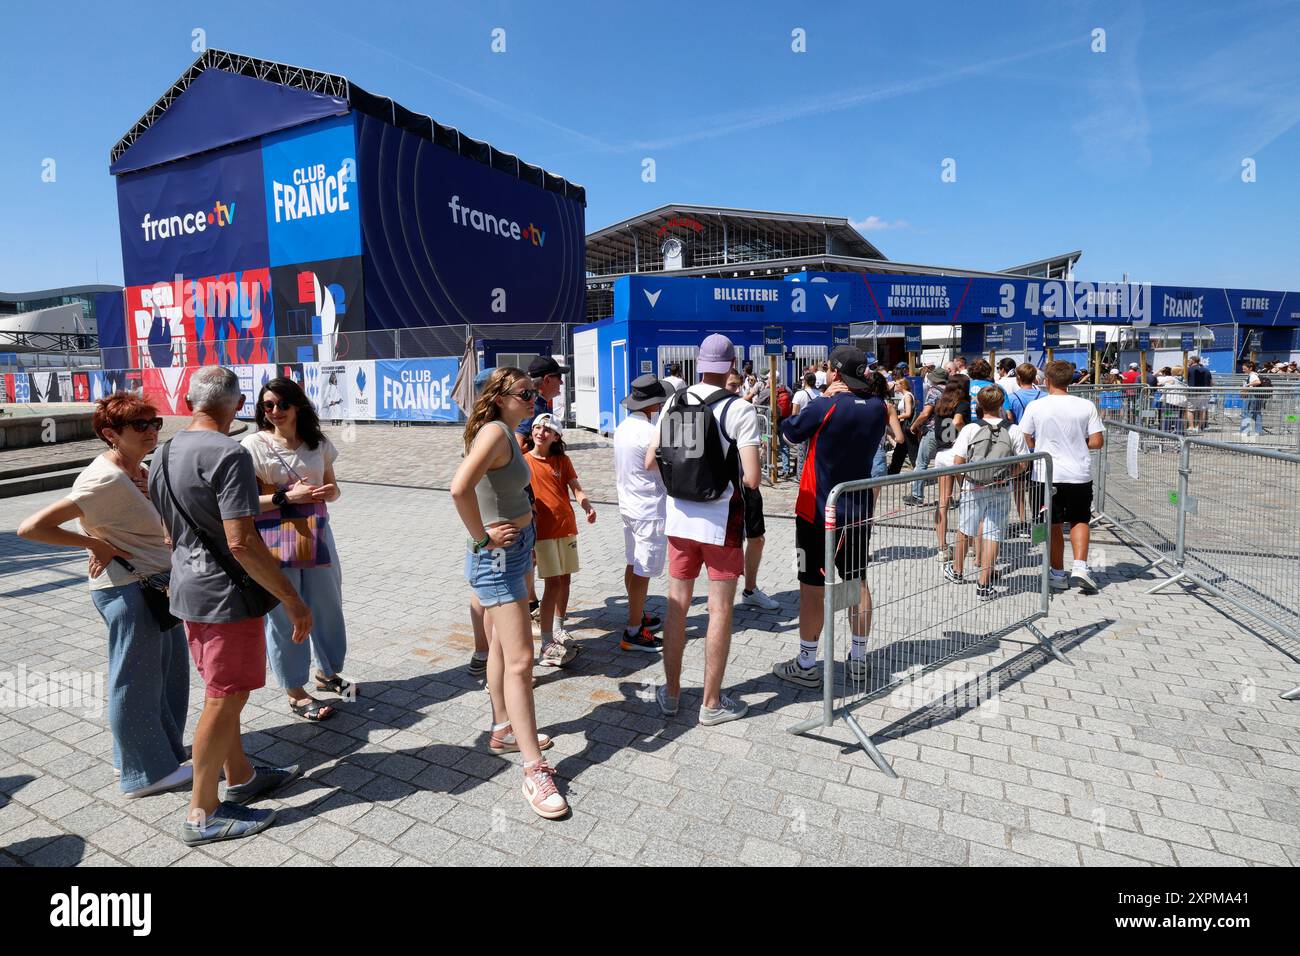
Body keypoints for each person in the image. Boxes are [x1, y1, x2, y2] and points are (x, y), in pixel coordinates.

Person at [149, 366, 311, 846]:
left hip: (188, 590)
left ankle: (240, 775)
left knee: (224, 691)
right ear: (237, 405)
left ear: (190, 403)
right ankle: (202, 811)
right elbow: (241, 542)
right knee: (224, 699)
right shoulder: (228, 453)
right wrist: (292, 599)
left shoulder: (164, 452)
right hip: (226, 594)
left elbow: (168, 532)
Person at [18, 394, 191, 799]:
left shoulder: (137, 470)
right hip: (129, 588)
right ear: (111, 434)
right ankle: (145, 775)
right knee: (135, 681)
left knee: (166, 675)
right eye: (140, 426)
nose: (151, 431)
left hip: (153, 584)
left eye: (155, 422)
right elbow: (31, 528)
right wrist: (94, 545)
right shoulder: (104, 479)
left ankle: (149, 755)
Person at [451, 367, 567, 819]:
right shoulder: (497, 433)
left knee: (503, 645)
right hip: (496, 557)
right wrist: (481, 538)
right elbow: (458, 488)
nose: (534, 399)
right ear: (500, 397)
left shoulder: (500, 430)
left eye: (536, 392)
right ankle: (533, 770)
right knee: (522, 661)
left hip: (514, 550)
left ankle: (503, 727)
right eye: (525, 393)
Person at [649, 333, 760, 725]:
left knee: (677, 605)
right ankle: (711, 703)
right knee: (720, 610)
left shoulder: (672, 404)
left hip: (679, 517)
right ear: (731, 366)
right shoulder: (739, 410)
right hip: (720, 522)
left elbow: (650, 460)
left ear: (698, 364)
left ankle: (672, 693)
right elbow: (752, 478)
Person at [772, 346, 885, 689]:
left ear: (834, 374)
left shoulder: (824, 404)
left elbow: (789, 433)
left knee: (812, 589)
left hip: (818, 511)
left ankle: (807, 663)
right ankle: (860, 659)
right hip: (858, 510)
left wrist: (821, 397)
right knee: (857, 583)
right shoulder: (879, 408)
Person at [241, 377, 348, 722]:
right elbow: (243, 504)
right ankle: (295, 691)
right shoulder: (252, 445)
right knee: (286, 612)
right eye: (267, 406)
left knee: (328, 604)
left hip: (317, 530)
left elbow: (333, 486)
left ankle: (328, 672)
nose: (274, 411)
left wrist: (329, 493)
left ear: (298, 405)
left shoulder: (318, 443)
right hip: (275, 535)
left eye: (281, 404)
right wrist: (289, 496)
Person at [1018, 360, 1105, 594]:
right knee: (1080, 519)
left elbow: (1024, 435)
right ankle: (1080, 566)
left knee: (1052, 524)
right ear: (1071, 381)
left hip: (1045, 473)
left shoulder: (1036, 407)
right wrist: (1077, 442)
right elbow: (1097, 441)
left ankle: (1057, 572)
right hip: (1078, 473)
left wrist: (1037, 447)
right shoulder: (1086, 405)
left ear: (1046, 381)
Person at [524, 413, 595, 666]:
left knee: (564, 580)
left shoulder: (562, 460)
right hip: (541, 533)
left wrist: (586, 505)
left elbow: (575, 487)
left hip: (566, 527)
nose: (541, 432)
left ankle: (558, 627)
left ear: (556, 437)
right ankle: (546, 640)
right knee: (552, 583)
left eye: (547, 429)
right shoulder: (524, 462)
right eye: (537, 427)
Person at [948, 386, 1029, 597]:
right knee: (994, 532)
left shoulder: (970, 429)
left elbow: (957, 462)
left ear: (979, 405)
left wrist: (963, 482)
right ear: (1001, 404)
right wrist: (1008, 475)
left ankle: (957, 570)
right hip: (1001, 486)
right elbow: (1023, 463)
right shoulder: (1013, 430)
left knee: (966, 528)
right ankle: (984, 583)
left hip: (973, 486)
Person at [613, 374, 672, 652]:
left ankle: (636, 613)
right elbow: (662, 469)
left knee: (632, 562)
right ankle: (633, 630)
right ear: (653, 404)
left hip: (628, 503)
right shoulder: (650, 432)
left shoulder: (623, 427)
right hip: (648, 507)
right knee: (642, 570)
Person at [931, 377, 970, 562]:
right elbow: (957, 421)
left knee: (943, 502)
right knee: (970, 498)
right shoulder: (962, 403)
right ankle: (970, 545)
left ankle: (942, 548)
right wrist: (966, 434)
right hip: (957, 453)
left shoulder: (940, 404)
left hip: (941, 454)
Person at [903, 367, 947, 506]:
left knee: (921, 463)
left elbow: (926, 413)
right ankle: (949, 497)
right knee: (946, 464)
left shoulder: (934, 391)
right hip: (947, 430)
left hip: (933, 430)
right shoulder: (952, 391)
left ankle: (917, 496)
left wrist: (914, 425)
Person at [887, 376, 919, 474]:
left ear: (902, 385)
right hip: (904, 426)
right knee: (899, 451)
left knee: (912, 452)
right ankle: (892, 472)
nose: (895, 386)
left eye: (896, 384)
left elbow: (908, 413)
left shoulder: (907, 396)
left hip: (907, 427)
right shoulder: (906, 396)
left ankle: (920, 473)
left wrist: (895, 417)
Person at [1184, 355, 1212, 433]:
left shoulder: (1188, 370)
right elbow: (1211, 382)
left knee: (1190, 410)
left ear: (1193, 361)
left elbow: (1185, 381)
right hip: (1205, 393)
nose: (1188, 362)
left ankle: (1191, 427)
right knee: (1202, 410)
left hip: (1193, 392)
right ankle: (1199, 427)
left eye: (1189, 360)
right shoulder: (1207, 370)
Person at [1157, 366, 1187, 435]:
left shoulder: (1170, 378)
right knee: (1179, 416)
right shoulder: (1183, 380)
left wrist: (1161, 386)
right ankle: (1180, 432)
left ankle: (1166, 432)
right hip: (1181, 401)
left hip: (1170, 400)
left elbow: (1162, 385)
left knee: (1168, 416)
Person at [1239, 360, 1264, 441]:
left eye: (1244, 369)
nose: (1243, 370)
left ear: (1250, 368)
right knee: (1256, 413)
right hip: (1256, 396)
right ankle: (1258, 431)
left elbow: (1258, 382)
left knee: (1246, 413)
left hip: (1252, 396)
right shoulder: (1254, 374)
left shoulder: (1252, 375)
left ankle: (1244, 431)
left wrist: (1247, 385)